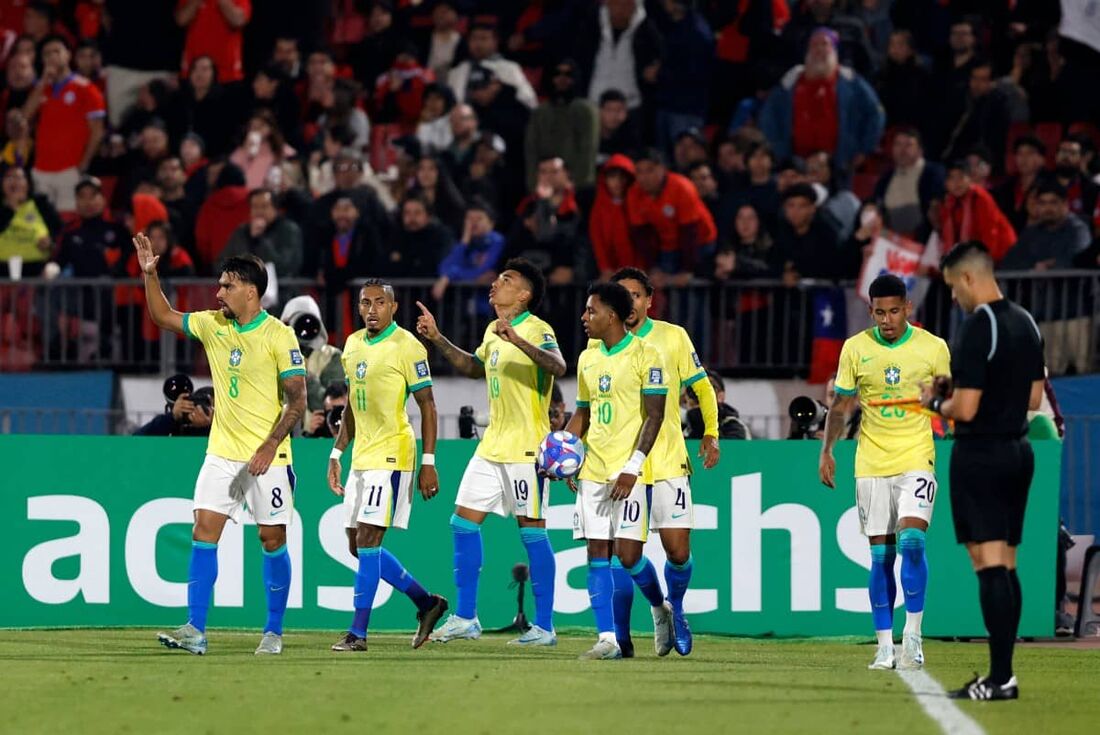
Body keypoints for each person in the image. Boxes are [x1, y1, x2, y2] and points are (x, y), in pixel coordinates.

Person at [133, 236, 307, 656]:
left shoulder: (279, 336)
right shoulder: (214, 324)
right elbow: (162, 316)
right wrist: (150, 274)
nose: (218, 293)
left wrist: (268, 446)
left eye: (226, 286)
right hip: (222, 453)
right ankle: (195, 629)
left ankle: (273, 631)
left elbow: (298, 401)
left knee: (271, 539)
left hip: (269, 457)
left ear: (250, 290)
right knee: (203, 531)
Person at [918, 241, 1045, 700]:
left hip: (982, 455)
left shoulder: (977, 326)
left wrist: (934, 401)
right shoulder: (1026, 322)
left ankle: (1000, 679)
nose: (954, 297)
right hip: (1018, 451)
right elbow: (1033, 399)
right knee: (1006, 565)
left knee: (987, 565)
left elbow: (965, 409)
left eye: (953, 287)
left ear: (969, 278)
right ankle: (1003, 674)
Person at [416, 259, 566, 646]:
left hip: (527, 449)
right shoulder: (490, 330)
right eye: (498, 278)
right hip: (493, 445)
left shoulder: (538, 328)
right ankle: (466, 617)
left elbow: (558, 366)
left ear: (524, 295)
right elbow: (472, 367)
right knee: (462, 523)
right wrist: (436, 337)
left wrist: (517, 339)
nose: (495, 284)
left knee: (532, 532)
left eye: (506, 280)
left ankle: (545, 627)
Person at [819, 274, 951, 671]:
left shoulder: (933, 347)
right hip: (871, 461)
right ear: (870, 310)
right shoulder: (855, 348)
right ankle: (883, 645)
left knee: (912, 543)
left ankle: (913, 634)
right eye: (880, 312)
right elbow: (841, 406)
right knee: (880, 556)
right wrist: (827, 450)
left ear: (908, 308)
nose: (888, 319)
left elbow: (950, 399)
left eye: (895, 311)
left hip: (916, 456)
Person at [327, 279, 449, 652]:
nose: (372, 310)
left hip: (394, 455)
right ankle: (426, 603)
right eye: (366, 303)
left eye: (380, 303)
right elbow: (352, 406)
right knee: (356, 546)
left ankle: (358, 634)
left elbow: (428, 405)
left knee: (367, 541)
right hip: (362, 456)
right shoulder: (352, 345)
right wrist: (336, 453)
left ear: (393, 308)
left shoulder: (408, 346)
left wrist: (429, 462)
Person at [604, 267, 720, 658]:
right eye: (622, 295)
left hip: (668, 460)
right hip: (624, 467)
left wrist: (711, 432)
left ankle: (678, 607)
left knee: (678, 553)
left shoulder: (673, 336)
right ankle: (658, 609)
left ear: (649, 299)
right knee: (627, 556)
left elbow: (702, 385)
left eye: (636, 294)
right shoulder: (599, 345)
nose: (629, 301)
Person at [565, 281, 667, 660]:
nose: (584, 317)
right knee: (596, 551)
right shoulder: (588, 358)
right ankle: (607, 638)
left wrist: (633, 468)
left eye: (591, 311)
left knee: (628, 556)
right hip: (593, 469)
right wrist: (567, 453)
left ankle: (659, 606)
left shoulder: (646, 354)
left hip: (630, 471)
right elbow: (583, 414)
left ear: (611, 315)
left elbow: (654, 416)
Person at [24, 35, 106, 213]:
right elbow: (25, 116)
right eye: (47, 54)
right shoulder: (40, 88)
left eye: (56, 51)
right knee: (42, 222)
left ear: (68, 55)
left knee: (67, 220)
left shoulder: (87, 89)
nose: (52, 57)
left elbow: (97, 132)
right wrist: (43, 82)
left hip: (69, 169)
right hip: (40, 169)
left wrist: (83, 164)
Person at [627, 148, 717, 284]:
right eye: (639, 171)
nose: (644, 177)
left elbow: (690, 232)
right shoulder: (634, 193)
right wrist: (653, 267)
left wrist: (687, 270)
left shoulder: (682, 187)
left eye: (650, 170)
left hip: (700, 243)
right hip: (667, 246)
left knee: (692, 287)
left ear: (662, 169)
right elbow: (642, 236)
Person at [524, 59, 599, 190]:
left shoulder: (585, 110)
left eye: (568, 75)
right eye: (557, 74)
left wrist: (578, 185)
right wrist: (533, 184)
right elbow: (531, 150)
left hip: (576, 186)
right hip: (544, 185)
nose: (562, 79)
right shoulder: (540, 112)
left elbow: (588, 150)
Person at [279, 295, 343, 433]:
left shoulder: (332, 357)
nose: (305, 328)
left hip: (320, 437)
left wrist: (305, 378)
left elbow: (337, 403)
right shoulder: (271, 355)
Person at [218, 188, 303, 279]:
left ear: (275, 209)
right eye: (255, 207)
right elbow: (221, 264)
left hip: (282, 291)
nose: (259, 211)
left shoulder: (289, 230)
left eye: (264, 206)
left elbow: (285, 267)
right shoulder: (241, 232)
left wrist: (260, 239)